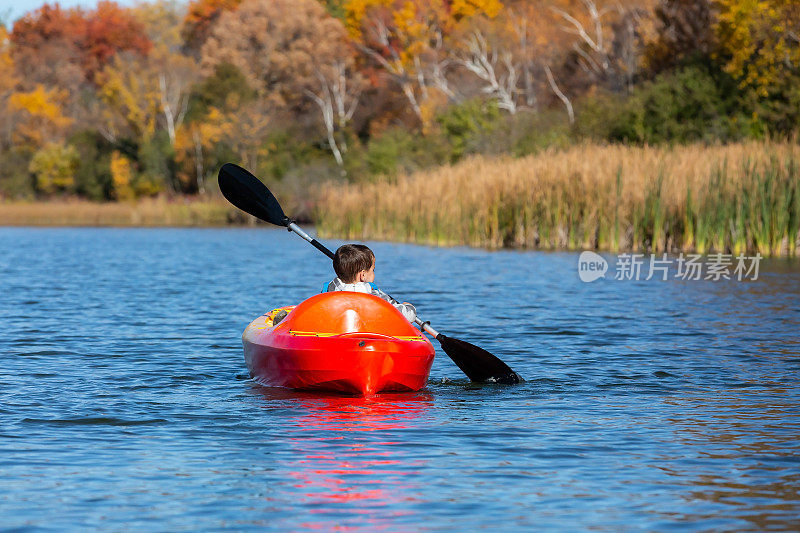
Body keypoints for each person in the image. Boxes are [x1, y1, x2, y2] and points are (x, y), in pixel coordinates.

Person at [323, 244, 417, 322]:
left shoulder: (329, 290)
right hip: (367, 335)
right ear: (363, 275)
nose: (374, 273)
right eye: (373, 270)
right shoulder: (373, 294)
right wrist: (409, 307)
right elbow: (408, 316)